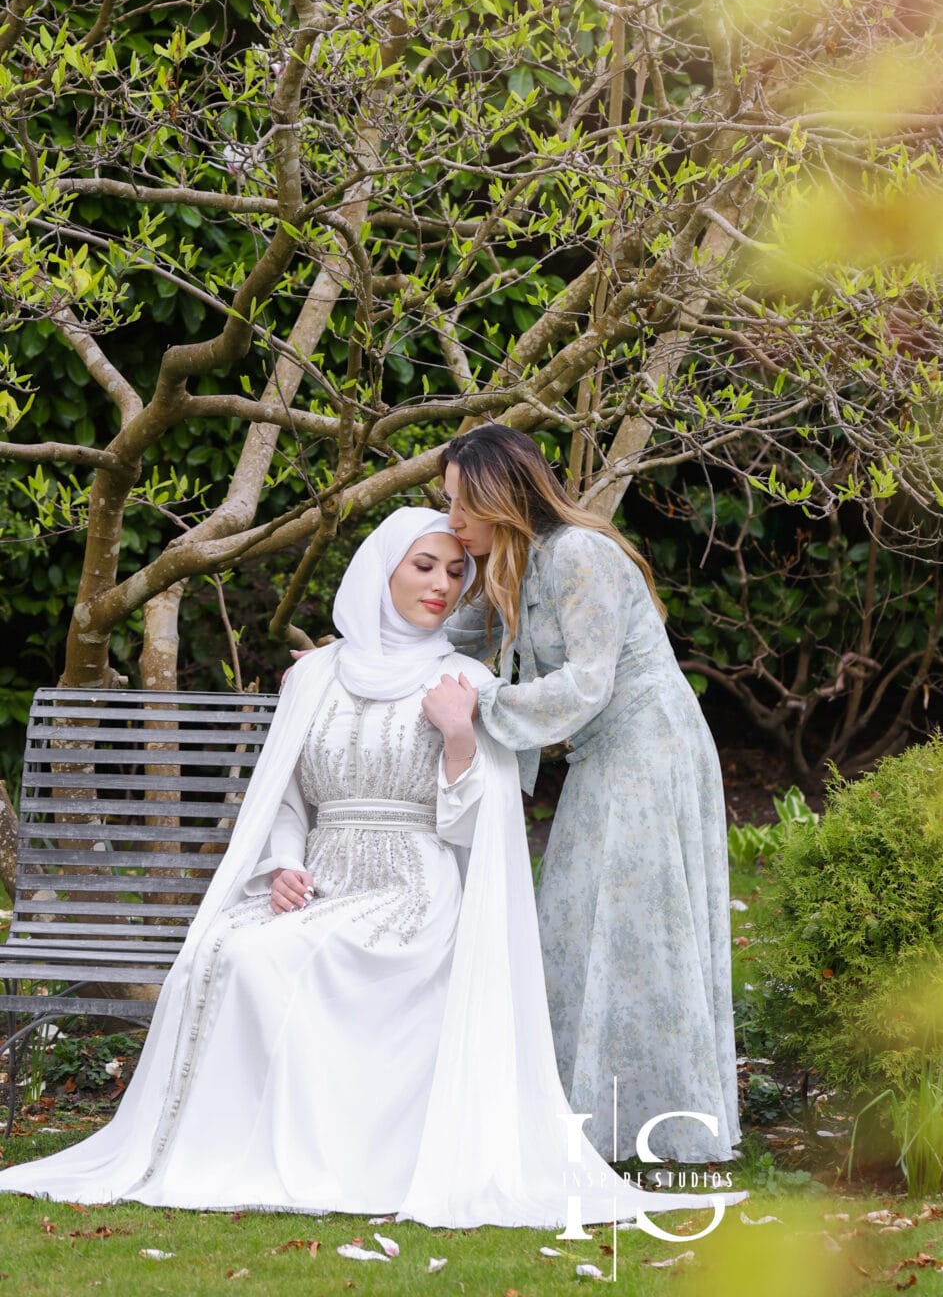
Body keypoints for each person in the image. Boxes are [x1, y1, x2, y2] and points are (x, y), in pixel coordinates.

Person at [0, 509, 738, 1227]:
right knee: (222, 949)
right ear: (380, 571)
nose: (443, 585)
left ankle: (318, 1161)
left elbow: (489, 831)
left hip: (412, 892)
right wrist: (283, 863)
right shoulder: (317, 675)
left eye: (458, 571)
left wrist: (457, 740)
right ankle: (226, 1150)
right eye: (424, 566)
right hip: (320, 882)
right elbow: (285, 799)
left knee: (275, 961)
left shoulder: (469, 686)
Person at [441, 426, 741, 1167]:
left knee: (638, 931)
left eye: (461, 504)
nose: (452, 520)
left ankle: (662, 1132)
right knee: (578, 927)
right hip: (603, 753)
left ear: (499, 498)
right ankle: (586, 1123)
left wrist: (480, 710)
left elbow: (586, 681)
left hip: (649, 746)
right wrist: (349, 656)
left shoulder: (578, 554)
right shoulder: (510, 567)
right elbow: (439, 634)